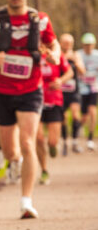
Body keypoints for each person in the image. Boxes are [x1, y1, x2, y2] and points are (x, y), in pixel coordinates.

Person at [0, 0, 60, 219]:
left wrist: (54, 54)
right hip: (1, 90)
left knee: (28, 142)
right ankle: (12, 161)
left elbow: (53, 44)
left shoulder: (41, 19)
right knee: (10, 151)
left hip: (30, 89)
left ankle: (26, 201)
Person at [35, 48, 72, 185]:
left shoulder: (57, 55)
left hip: (54, 100)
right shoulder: (32, 53)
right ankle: (44, 170)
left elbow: (70, 72)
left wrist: (60, 81)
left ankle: (53, 146)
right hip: (35, 100)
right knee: (38, 139)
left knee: (52, 141)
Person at [59, 33, 85, 155]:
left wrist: (75, 61)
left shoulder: (76, 55)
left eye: (69, 43)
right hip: (61, 90)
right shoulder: (57, 54)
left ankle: (75, 141)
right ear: (60, 43)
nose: (67, 45)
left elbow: (82, 72)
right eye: (65, 42)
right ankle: (64, 142)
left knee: (75, 115)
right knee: (63, 118)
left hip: (74, 90)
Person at [76, 33, 98, 151]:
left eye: (90, 45)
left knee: (93, 112)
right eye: (86, 45)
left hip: (94, 88)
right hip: (82, 89)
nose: (88, 47)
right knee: (84, 116)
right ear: (83, 45)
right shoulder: (78, 54)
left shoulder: (97, 55)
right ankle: (77, 129)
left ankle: (90, 139)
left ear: (94, 45)